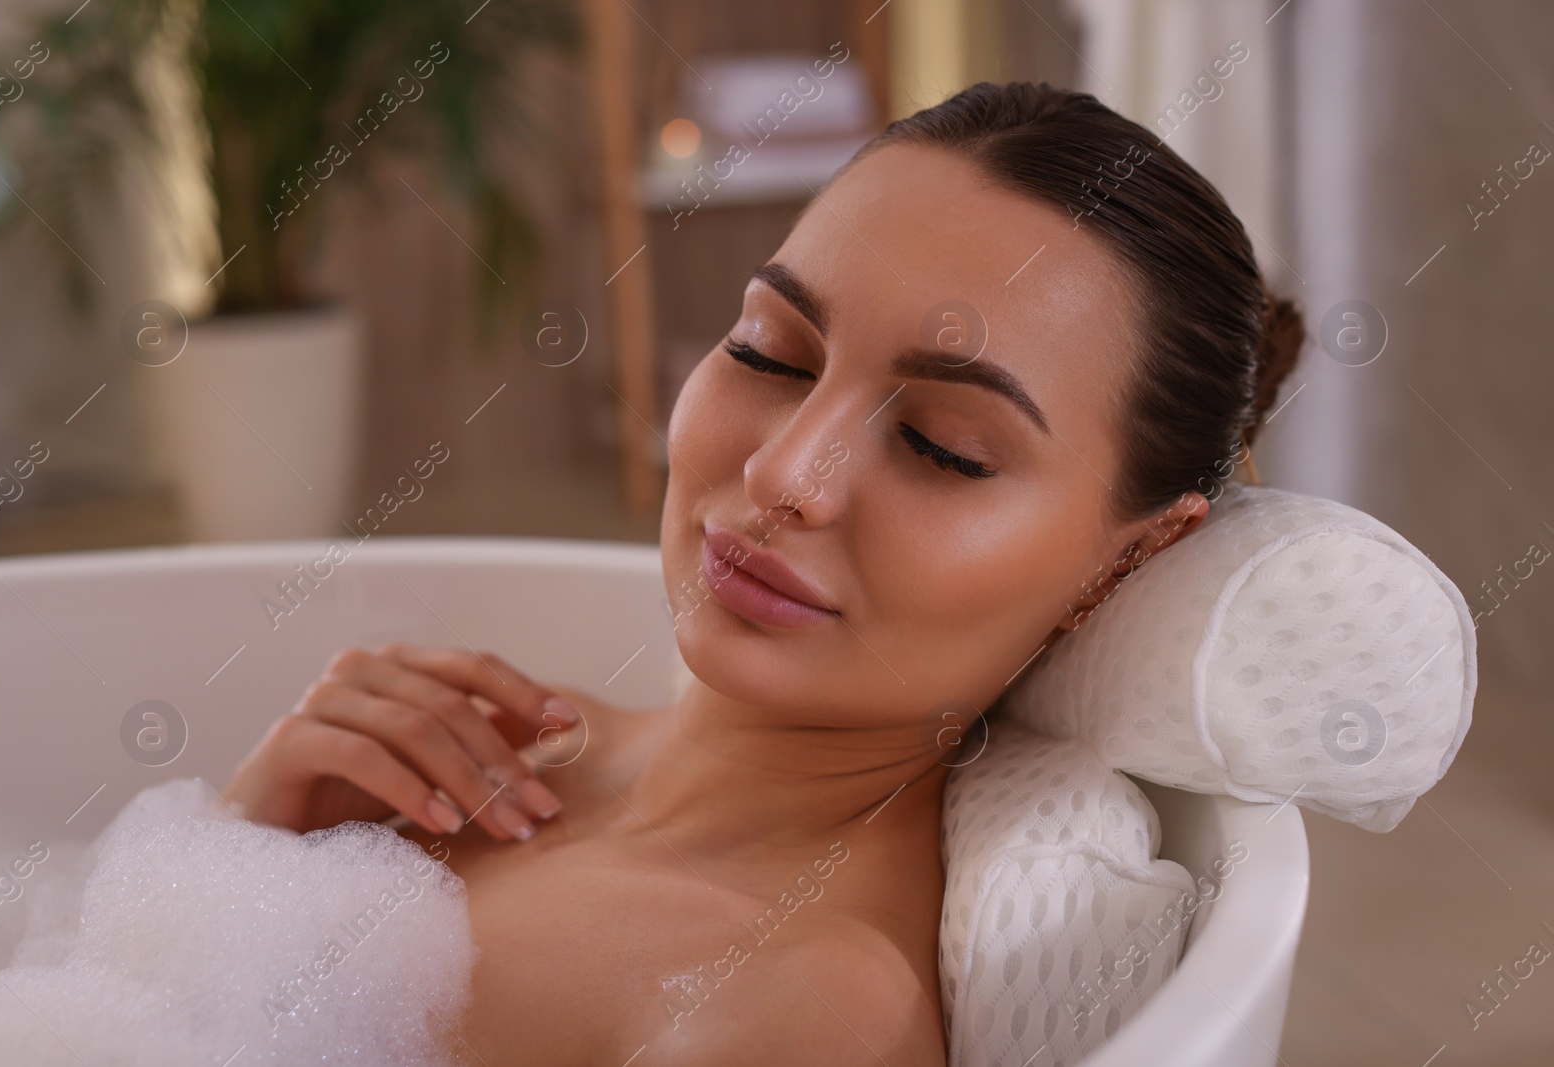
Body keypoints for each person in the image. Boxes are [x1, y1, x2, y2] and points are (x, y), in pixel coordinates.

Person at [222, 81, 1304, 1067]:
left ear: (1131, 555)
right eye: (768, 351)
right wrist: (240, 853)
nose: (784, 472)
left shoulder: (791, 1011)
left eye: (942, 445)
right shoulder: (485, 753)